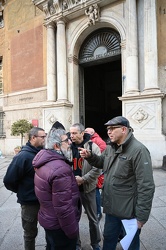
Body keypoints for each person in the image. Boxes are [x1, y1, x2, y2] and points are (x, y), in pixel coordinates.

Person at [79, 116, 155, 250]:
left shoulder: (139, 150)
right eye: (108, 129)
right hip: (111, 208)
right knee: (108, 239)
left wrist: (141, 217)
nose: (109, 132)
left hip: (129, 212)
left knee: (130, 244)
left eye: (113, 128)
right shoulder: (111, 147)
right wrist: (90, 156)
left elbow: (146, 186)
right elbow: (102, 162)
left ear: (124, 129)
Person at [33, 128, 82, 250]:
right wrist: (72, 231)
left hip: (49, 220)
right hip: (59, 226)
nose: (70, 142)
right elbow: (63, 207)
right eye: (66, 140)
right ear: (56, 146)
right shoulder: (60, 169)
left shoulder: (44, 160)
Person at [3, 127, 46, 250]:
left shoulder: (43, 153)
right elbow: (8, 180)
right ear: (33, 138)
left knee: (50, 228)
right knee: (30, 234)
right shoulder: (22, 157)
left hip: (45, 200)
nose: (45, 139)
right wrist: (22, 191)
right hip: (30, 203)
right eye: (42, 137)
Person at [69, 123, 101, 250]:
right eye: (70, 133)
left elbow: (98, 168)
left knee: (93, 219)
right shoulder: (68, 147)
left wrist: (83, 179)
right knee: (73, 218)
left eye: (75, 133)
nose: (71, 136)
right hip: (72, 190)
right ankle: (76, 244)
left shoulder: (93, 147)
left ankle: (95, 243)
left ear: (82, 133)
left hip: (88, 189)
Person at [85, 127, 106, 221]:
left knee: (96, 190)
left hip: (96, 167)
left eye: (86, 131)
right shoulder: (88, 140)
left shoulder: (97, 140)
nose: (84, 133)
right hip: (90, 166)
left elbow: (103, 151)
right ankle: (92, 209)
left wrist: (93, 155)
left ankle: (98, 212)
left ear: (92, 133)